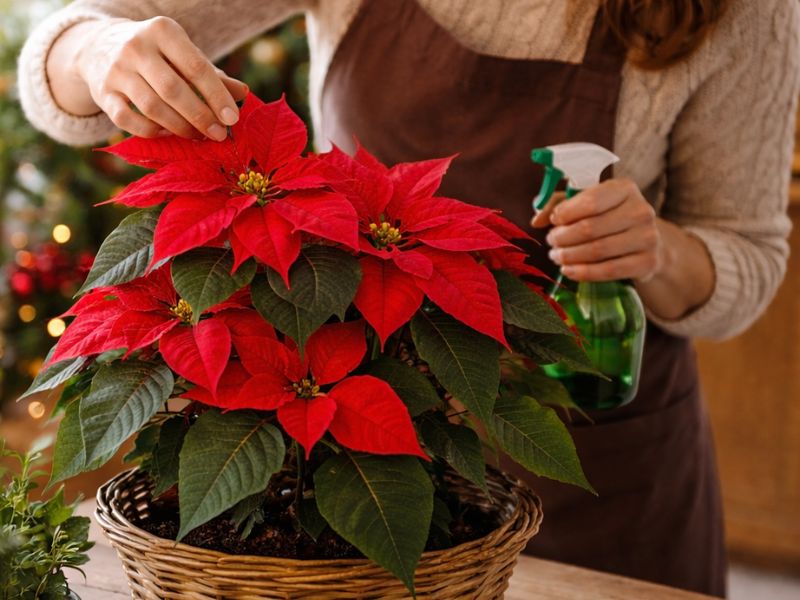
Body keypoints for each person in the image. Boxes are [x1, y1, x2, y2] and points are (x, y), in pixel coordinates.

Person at [18, 0, 800, 596]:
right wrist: (100, 51)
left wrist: (657, 250)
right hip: (345, 448)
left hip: (595, 450)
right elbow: (61, 48)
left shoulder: (743, 13)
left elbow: (748, 255)